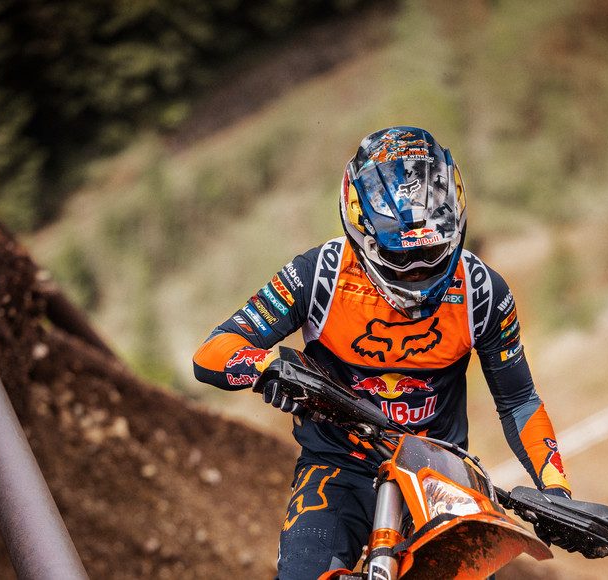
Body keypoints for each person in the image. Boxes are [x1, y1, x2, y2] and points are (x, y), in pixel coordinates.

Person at [193, 126, 571, 579]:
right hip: (340, 464)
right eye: (400, 259)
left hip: (440, 475)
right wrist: (267, 367)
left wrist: (556, 490)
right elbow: (213, 350)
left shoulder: (482, 291)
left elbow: (519, 400)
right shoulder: (320, 276)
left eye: (434, 252)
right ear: (361, 235)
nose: (418, 273)